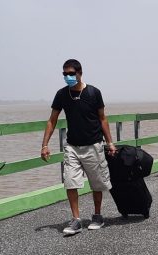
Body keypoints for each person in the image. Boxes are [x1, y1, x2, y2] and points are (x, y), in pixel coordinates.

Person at [41, 59, 116, 236]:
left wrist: (110, 142)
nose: (68, 77)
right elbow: (52, 120)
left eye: (71, 74)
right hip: (72, 146)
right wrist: (44, 145)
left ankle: (97, 216)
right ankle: (76, 220)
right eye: (64, 74)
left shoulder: (93, 92)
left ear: (80, 73)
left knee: (97, 183)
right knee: (70, 182)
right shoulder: (62, 94)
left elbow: (102, 118)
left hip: (93, 145)